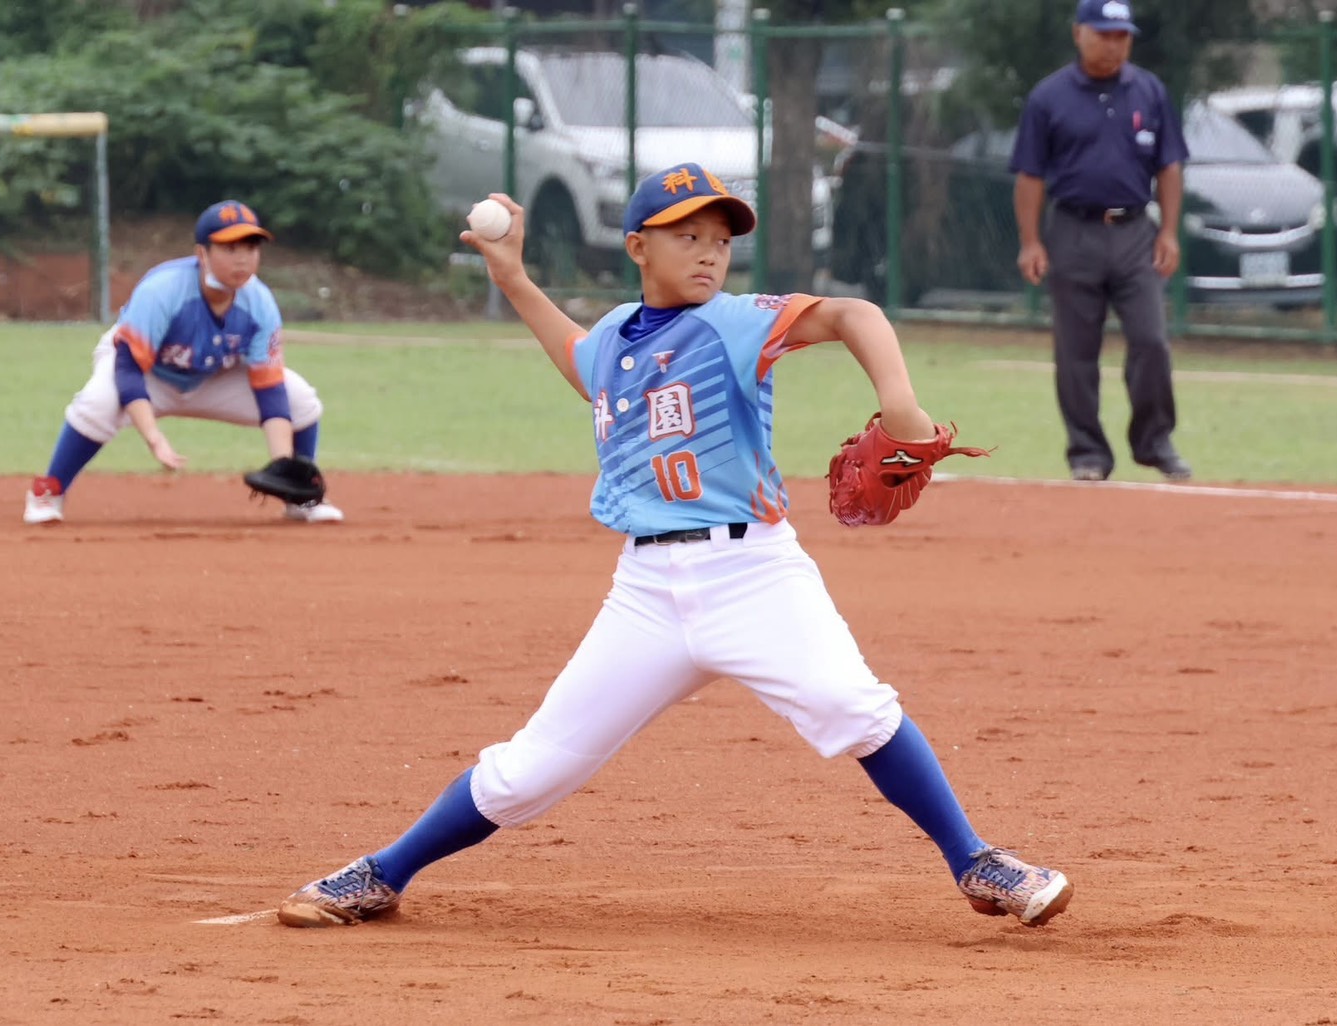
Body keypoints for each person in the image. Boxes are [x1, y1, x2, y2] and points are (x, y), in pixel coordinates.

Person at [275, 163, 1073, 930]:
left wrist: (899, 403)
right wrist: (513, 279)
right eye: (685, 235)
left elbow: (854, 314)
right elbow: (584, 364)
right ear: (637, 249)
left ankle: (975, 861)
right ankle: (383, 872)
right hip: (646, 591)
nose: (708, 252)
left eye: (720, 239)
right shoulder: (619, 333)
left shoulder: (736, 322)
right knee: (533, 769)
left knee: (849, 705)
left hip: (752, 572)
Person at [22, 200, 343, 524]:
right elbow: (129, 370)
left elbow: (269, 387)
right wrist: (154, 437)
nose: (243, 258)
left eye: (250, 246)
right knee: (98, 402)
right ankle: (50, 490)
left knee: (299, 399)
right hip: (146, 373)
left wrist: (283, 467)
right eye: (229, 248)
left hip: (213, 376)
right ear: (202, 254)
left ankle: (300, 499)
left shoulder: (260, 303)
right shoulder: (163, 291)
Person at [1010, 0, 1192, 483]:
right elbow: (1029, 175)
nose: (1114, 44)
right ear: (1079, 34)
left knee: (1151, 340)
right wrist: (1031, 242)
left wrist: (1169, 231)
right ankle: (1087, 452)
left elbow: (1169, 166)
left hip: (1135, 232)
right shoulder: (1049, 97)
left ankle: (1155, 442)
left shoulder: (1149, 90)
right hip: (1072, 230)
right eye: (1104, 33)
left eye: (1122, 35)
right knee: (1076, 351)